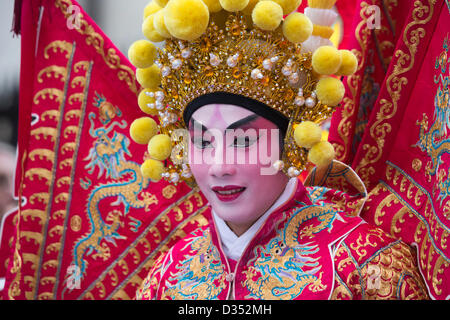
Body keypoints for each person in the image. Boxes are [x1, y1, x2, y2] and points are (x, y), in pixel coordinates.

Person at [127, 0, 429, 299]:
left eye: (244, 140)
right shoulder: (167, 276)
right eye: (202, 142)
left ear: (290, 143)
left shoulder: (364, 266)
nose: (219, 166)